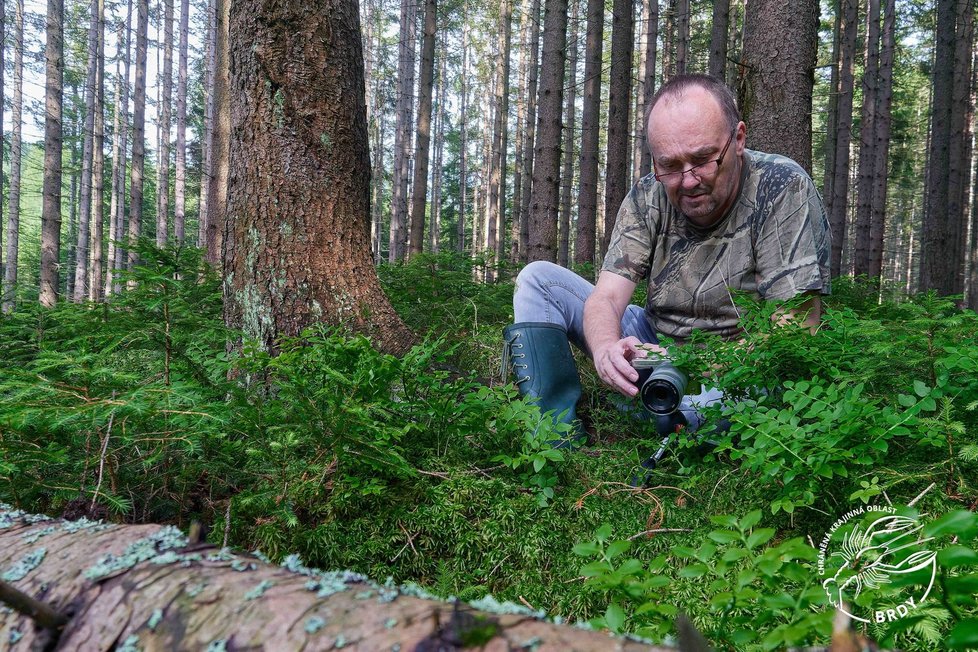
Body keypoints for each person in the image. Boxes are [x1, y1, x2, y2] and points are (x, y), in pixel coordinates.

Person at [503, 74, 832, 448]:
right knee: (539, 280)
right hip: (657, 342)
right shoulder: (648, 195)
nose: (688, 180)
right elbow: (607, 298)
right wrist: (608, 349)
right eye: (670, 165)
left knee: (705, 417)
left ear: (738, 139)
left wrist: (693, 364)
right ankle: (554, 438)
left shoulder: (781, 186)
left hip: (744, 362)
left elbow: (796, 326)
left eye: (704, 160)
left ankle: (662, 411)